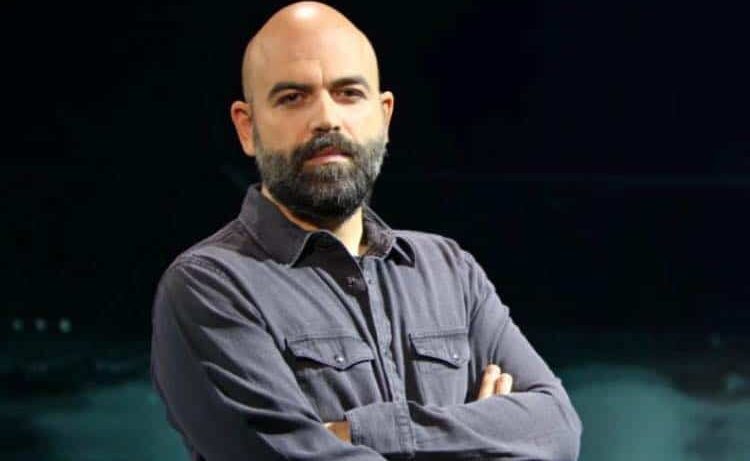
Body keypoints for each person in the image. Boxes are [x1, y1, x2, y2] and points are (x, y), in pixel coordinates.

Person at [150, 2, 582, 460]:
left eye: (348, 93)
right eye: (292, 97)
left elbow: (556, 428)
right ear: (247, 127)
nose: (326, 118)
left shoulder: (449, 272)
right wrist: (479, 438)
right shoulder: (209, 286)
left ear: (384, 116)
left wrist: (359, 432)